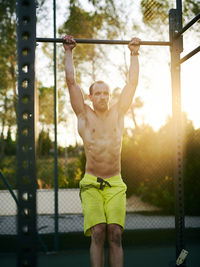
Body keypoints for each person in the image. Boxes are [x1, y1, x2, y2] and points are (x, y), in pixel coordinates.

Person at [63, 35, 140, 267]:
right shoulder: (84, 115)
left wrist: (134, 53)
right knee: (98, 232)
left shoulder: (118, 113)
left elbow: (132, 84)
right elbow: (71, 83)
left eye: (106, 93)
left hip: (115, 183)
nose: (103, 97)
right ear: (91, 96)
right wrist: (68, 52)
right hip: (91, 184)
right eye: (98, 93)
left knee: (115, 233)